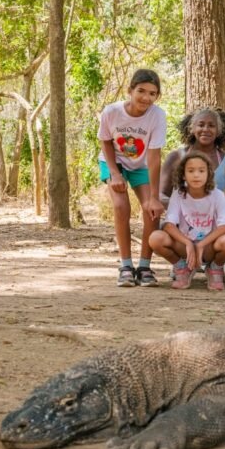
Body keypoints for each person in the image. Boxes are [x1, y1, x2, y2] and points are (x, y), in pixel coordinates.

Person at [98, 69, 167, 287]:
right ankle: (126, 266)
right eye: (141, 91)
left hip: (141, 164)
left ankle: (145, 267)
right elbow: (106, 141)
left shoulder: (157, 116)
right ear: (130, 90)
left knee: (151, 210)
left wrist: (155, 197)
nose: (146, 97)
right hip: (114, 162)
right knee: (121, 206)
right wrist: (115, 174)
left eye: (152, 93)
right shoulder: (112, 112)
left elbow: (155, 157)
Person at [149, 151, 225, 291]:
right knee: (156, 238)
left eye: (201, 171)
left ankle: (215, 268)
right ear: (183, 174)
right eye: (190, 171)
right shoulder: (178, 195)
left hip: (209, 247)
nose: (196, 175)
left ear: (208, 174)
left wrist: (201, 245)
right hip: (185, 248)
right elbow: (168, 225)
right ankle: (182, 267)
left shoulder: (217, 195)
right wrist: (188, 243)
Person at [159, 108, 225, 208]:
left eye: (211, 126)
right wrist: (182, 206)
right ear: (192, 129)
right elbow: (160, 195)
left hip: (215, 220)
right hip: (181, 219)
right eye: (201, 125)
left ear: (218, 131)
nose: (206, 129)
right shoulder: (175, 157)